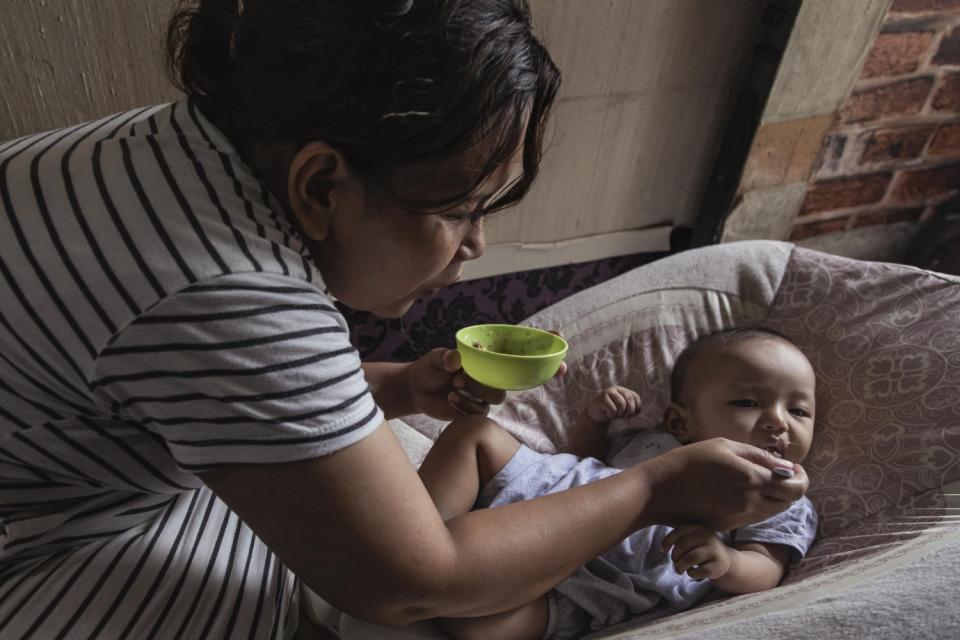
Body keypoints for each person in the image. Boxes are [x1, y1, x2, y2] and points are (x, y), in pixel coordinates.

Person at [0, 2, 808, 638]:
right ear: (321, 186)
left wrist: (398, 386)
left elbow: (200, 382)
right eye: (459, 211)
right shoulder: (230, 292)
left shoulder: (175, 145)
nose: (476, 248)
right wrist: (653, 487)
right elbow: (414, 585)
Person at [421, 328, 818, 639]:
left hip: (587, 582)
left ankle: (444, 567)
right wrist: (594, 423)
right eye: (748, 403)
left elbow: (767, 566)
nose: (778, 422)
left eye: (799, 410)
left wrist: (728, 563)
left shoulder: (779, 491)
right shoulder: (653, 441)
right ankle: (420, 537)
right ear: (681, 422)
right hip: (543, 494)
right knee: (473, 433)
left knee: (468, 623)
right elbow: (583, 462)